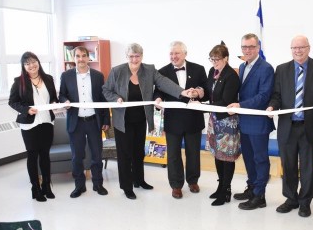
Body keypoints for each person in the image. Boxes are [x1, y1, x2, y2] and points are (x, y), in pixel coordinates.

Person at [102, 43, 196, 200]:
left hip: (140, 120)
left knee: (138, 152)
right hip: (122, 121)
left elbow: (164, 82)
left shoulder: (149, 70)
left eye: (137, 56)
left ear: (142, 56)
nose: (134, 59)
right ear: (127, 57)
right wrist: (116, 98)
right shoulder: (117, 71)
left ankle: (139, 180)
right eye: (131, 56)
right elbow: (106, 89)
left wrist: (182, 92)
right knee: (125, 155)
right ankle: (127, 186)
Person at [267, 35, 313, 217]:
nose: (298, 50)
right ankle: (291, 198)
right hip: (287, 126)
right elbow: (277, 95)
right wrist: (272, 106)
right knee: (288, 165)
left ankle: (305, 201)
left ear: (309, 48)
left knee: (308, 167)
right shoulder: (282, 69)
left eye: (301, 47)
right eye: (294, 47)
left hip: (310, 126)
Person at [154, 41, 208, 199]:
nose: (173, 56)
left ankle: (193, 181)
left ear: (185, 53)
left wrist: (199, 92)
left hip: (193, 120)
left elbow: (207, 90)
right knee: (173, 155)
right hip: (173, 120)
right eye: (171, 53)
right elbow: (158, 92)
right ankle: (176, 185)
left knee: (193, 153)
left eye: (176, 53)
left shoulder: (199, 69)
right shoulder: (162, 72)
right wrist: (157, 99)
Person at [228, 33, 275, 210]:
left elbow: (263, 96)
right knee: (248, 157)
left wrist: (240, 105)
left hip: (258, 122)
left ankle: (260, 196)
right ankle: (252, 187)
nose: (247, 50)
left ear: (258, 48)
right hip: (244, 121)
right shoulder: (242, 65)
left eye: (251, 47)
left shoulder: (266, 68)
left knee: (260, 159)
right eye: (244, 47)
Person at [59, 46, 110, 198]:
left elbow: (103, 99)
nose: (80, 59)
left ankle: (98, 184)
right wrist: (65, 100)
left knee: (96, 155)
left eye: (83, 56)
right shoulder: (66, 75)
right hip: (76, 123)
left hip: (94, 121)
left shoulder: (98, 76)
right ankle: (79, 186)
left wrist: (106, 119)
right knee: (77, 156)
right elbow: (61, 95)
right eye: (77, 56)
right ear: (74, 58)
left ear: (89, 58)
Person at [9, 51, 58, 202]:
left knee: (45, 155)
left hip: (46, 122)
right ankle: (35, 188)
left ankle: (47, 187)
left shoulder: (48, 79)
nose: (31, 65)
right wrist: (26, 109)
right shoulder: (19, 81)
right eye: (27, 63)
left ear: (38, 62)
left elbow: (54, 98)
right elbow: (12, 102)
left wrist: (56, 104)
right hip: (29, 124)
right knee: (32, 156)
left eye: (33, 61)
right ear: (23, 66)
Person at [204, 43, 241, 206]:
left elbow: (226, 100)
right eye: (212, 59)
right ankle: (220, 187)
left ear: (226, 58)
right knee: (217, 155)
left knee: (227, 157)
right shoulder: (212, 71)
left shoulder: (231, 76)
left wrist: (206, 106)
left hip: (227, 121)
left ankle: (226, 190)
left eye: (217, 59)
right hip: (214, 119)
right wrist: (197, 94)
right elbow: (208, 92)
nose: (214, 63)